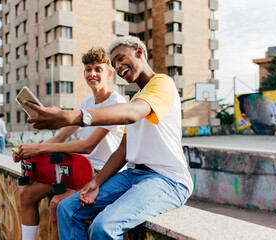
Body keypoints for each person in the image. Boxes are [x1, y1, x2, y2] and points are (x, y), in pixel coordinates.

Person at [23, 36, 193, 240]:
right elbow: (123, 150)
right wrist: (97, 181)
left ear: (139, 52)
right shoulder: (136, 98)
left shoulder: (162, 83)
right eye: (115, 63)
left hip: (168, 180)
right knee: (66, 209)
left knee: (103, 227)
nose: (119, 66)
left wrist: (70, 116)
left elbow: (132, 113)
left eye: (121, 59)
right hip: (133, 175)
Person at [13, 47, 126, 240]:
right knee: (26, 195)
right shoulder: (86, 103)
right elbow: (59, 138)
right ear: (84, 73)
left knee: (57, 203)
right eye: (88, 69)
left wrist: (39, 148)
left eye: (98, 69)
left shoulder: (116, 103)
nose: (92, 74)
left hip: (103, 174)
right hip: (81, 171)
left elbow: (87, 145)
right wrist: (27, 152)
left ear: (108, 73)